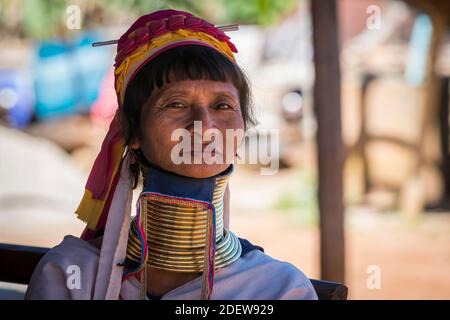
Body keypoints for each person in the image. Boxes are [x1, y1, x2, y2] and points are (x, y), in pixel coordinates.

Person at [25, 9, 318, 300]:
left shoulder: (279, 288)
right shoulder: (70, 274)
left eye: (222, 105)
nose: (205, 128)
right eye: (175, 104)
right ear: (133, 130)